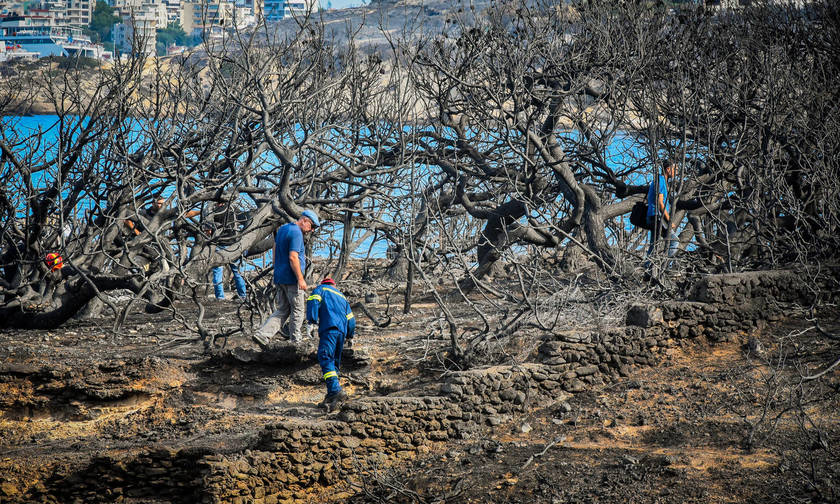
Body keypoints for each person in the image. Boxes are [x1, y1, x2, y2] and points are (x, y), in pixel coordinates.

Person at [252, 209, 320, 347]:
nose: (311, 230)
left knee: (283, 309)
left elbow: (275, 247)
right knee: (298, 309)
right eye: (312, 226)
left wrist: (277, 267)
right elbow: (293, 257)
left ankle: (263, 334)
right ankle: (296, 340)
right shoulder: (296, 233)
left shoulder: (283, 229)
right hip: (292, 279)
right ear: (305, 220)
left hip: (280, 276)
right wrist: (300, 278)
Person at [306, 277, 355, 411]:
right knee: (334, 364)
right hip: (341, 333)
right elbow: (351, 319)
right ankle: (332, 397)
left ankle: (335, 390)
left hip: (329, 330)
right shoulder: (342, 297)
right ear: (334, 284)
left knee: (325, 357)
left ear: (323, 283)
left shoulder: (320, 289)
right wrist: (350, 335)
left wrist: (311, 322)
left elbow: (313, 303)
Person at [208, 200, 247, 300]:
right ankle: (243, 295)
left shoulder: (214, 212)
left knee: (217, 272)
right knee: (237, 272)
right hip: (233, 245)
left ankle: (220, 297)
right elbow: (243, 219)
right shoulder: (233, 209)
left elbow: (208, 231)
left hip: (219, 244)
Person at [645, 159, 679, 268]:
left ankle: (647, 267)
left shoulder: (661, 180)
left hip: (652, 216)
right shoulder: (660, 180)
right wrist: (669, 220)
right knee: (674, 241)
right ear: (668, 169)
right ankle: (663, 267)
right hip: (657, 216)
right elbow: (660, 202)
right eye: (675, 169)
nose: (676, 172)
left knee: (653, 245)